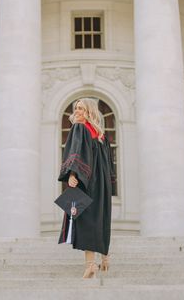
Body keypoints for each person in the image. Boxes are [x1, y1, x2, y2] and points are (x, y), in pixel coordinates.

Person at [58, 98, 116, 278]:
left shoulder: (80, 128)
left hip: (88, 181)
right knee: (101, 218)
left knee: (87, 220)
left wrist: (73, 174)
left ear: (89, 111)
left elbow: (76, 151)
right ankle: (105, 258)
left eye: (81, 109)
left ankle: (91, 264)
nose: (77, 112)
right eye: (76, 108)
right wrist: (108, 184)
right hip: (102, 184)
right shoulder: (101, 136)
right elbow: (109, 165)